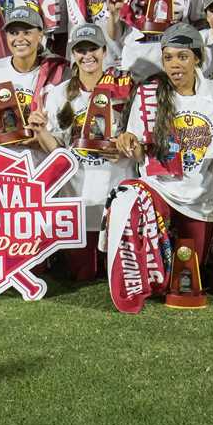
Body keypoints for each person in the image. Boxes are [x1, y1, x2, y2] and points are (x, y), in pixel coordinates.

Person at [114, 23, 213, 271]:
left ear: (197, 58)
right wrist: (130, 145)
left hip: (203, 197)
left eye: (183, 57)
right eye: (168, 57)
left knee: (189, 273)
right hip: (159, 190)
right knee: (130, 197)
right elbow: (141, 153)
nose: (175, 64)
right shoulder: (149, 93)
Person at [37, 23, 136, 280]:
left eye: (93, 48)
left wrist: (124, 149)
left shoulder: (124, 88)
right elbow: (58, 151)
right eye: (80, 50)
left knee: (118, 275)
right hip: (77, 194)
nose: (87, 55)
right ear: (73, 54)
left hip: (115, 189)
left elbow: (137, 138)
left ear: (104, 51)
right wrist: (41, 132)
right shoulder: (60, 94)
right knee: (83, 275)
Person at [0, 6, 68, 166]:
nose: (19, 39)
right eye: (13, 33)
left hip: (42, 165)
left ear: (41, 34)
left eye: (27, 32)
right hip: (1, 165)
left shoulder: (59, 72)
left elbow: (65, 129)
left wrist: (42, 138)